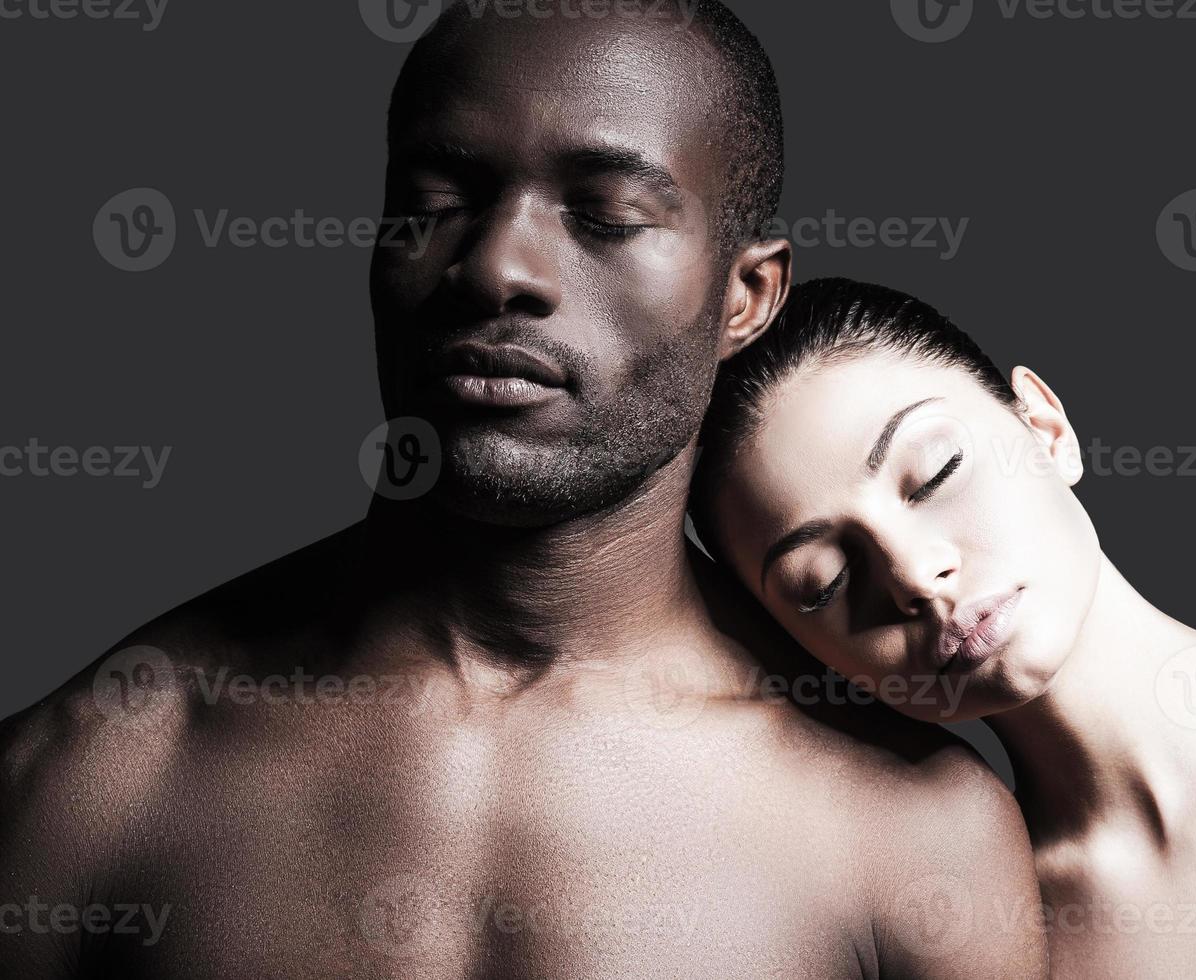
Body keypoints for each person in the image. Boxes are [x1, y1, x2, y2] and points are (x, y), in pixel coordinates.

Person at [0, 6, 1049, 978]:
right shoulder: (98, 769)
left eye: (604, 215)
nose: (498, 265)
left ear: (747, 295)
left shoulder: (910, 834)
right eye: (435, 204)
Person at [689, 276, 1196, 979]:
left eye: (933, 474)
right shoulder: (973, 940)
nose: (912, 575)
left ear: (1045, 429)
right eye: (823, 583)